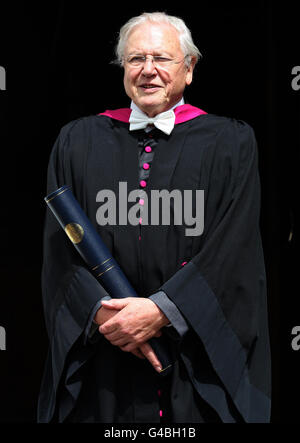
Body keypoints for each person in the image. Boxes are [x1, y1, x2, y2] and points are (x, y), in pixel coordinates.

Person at [38, 12, 271, 423]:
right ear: (123, 68)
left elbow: (235, 247)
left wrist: (166, 310)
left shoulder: (230, 142)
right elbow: (60, 251)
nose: (148, 70)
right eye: (135, 59)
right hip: (105, 362)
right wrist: (106, 315)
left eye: (161, 58)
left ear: (189, 67)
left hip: (191, 361)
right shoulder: (77, 141)